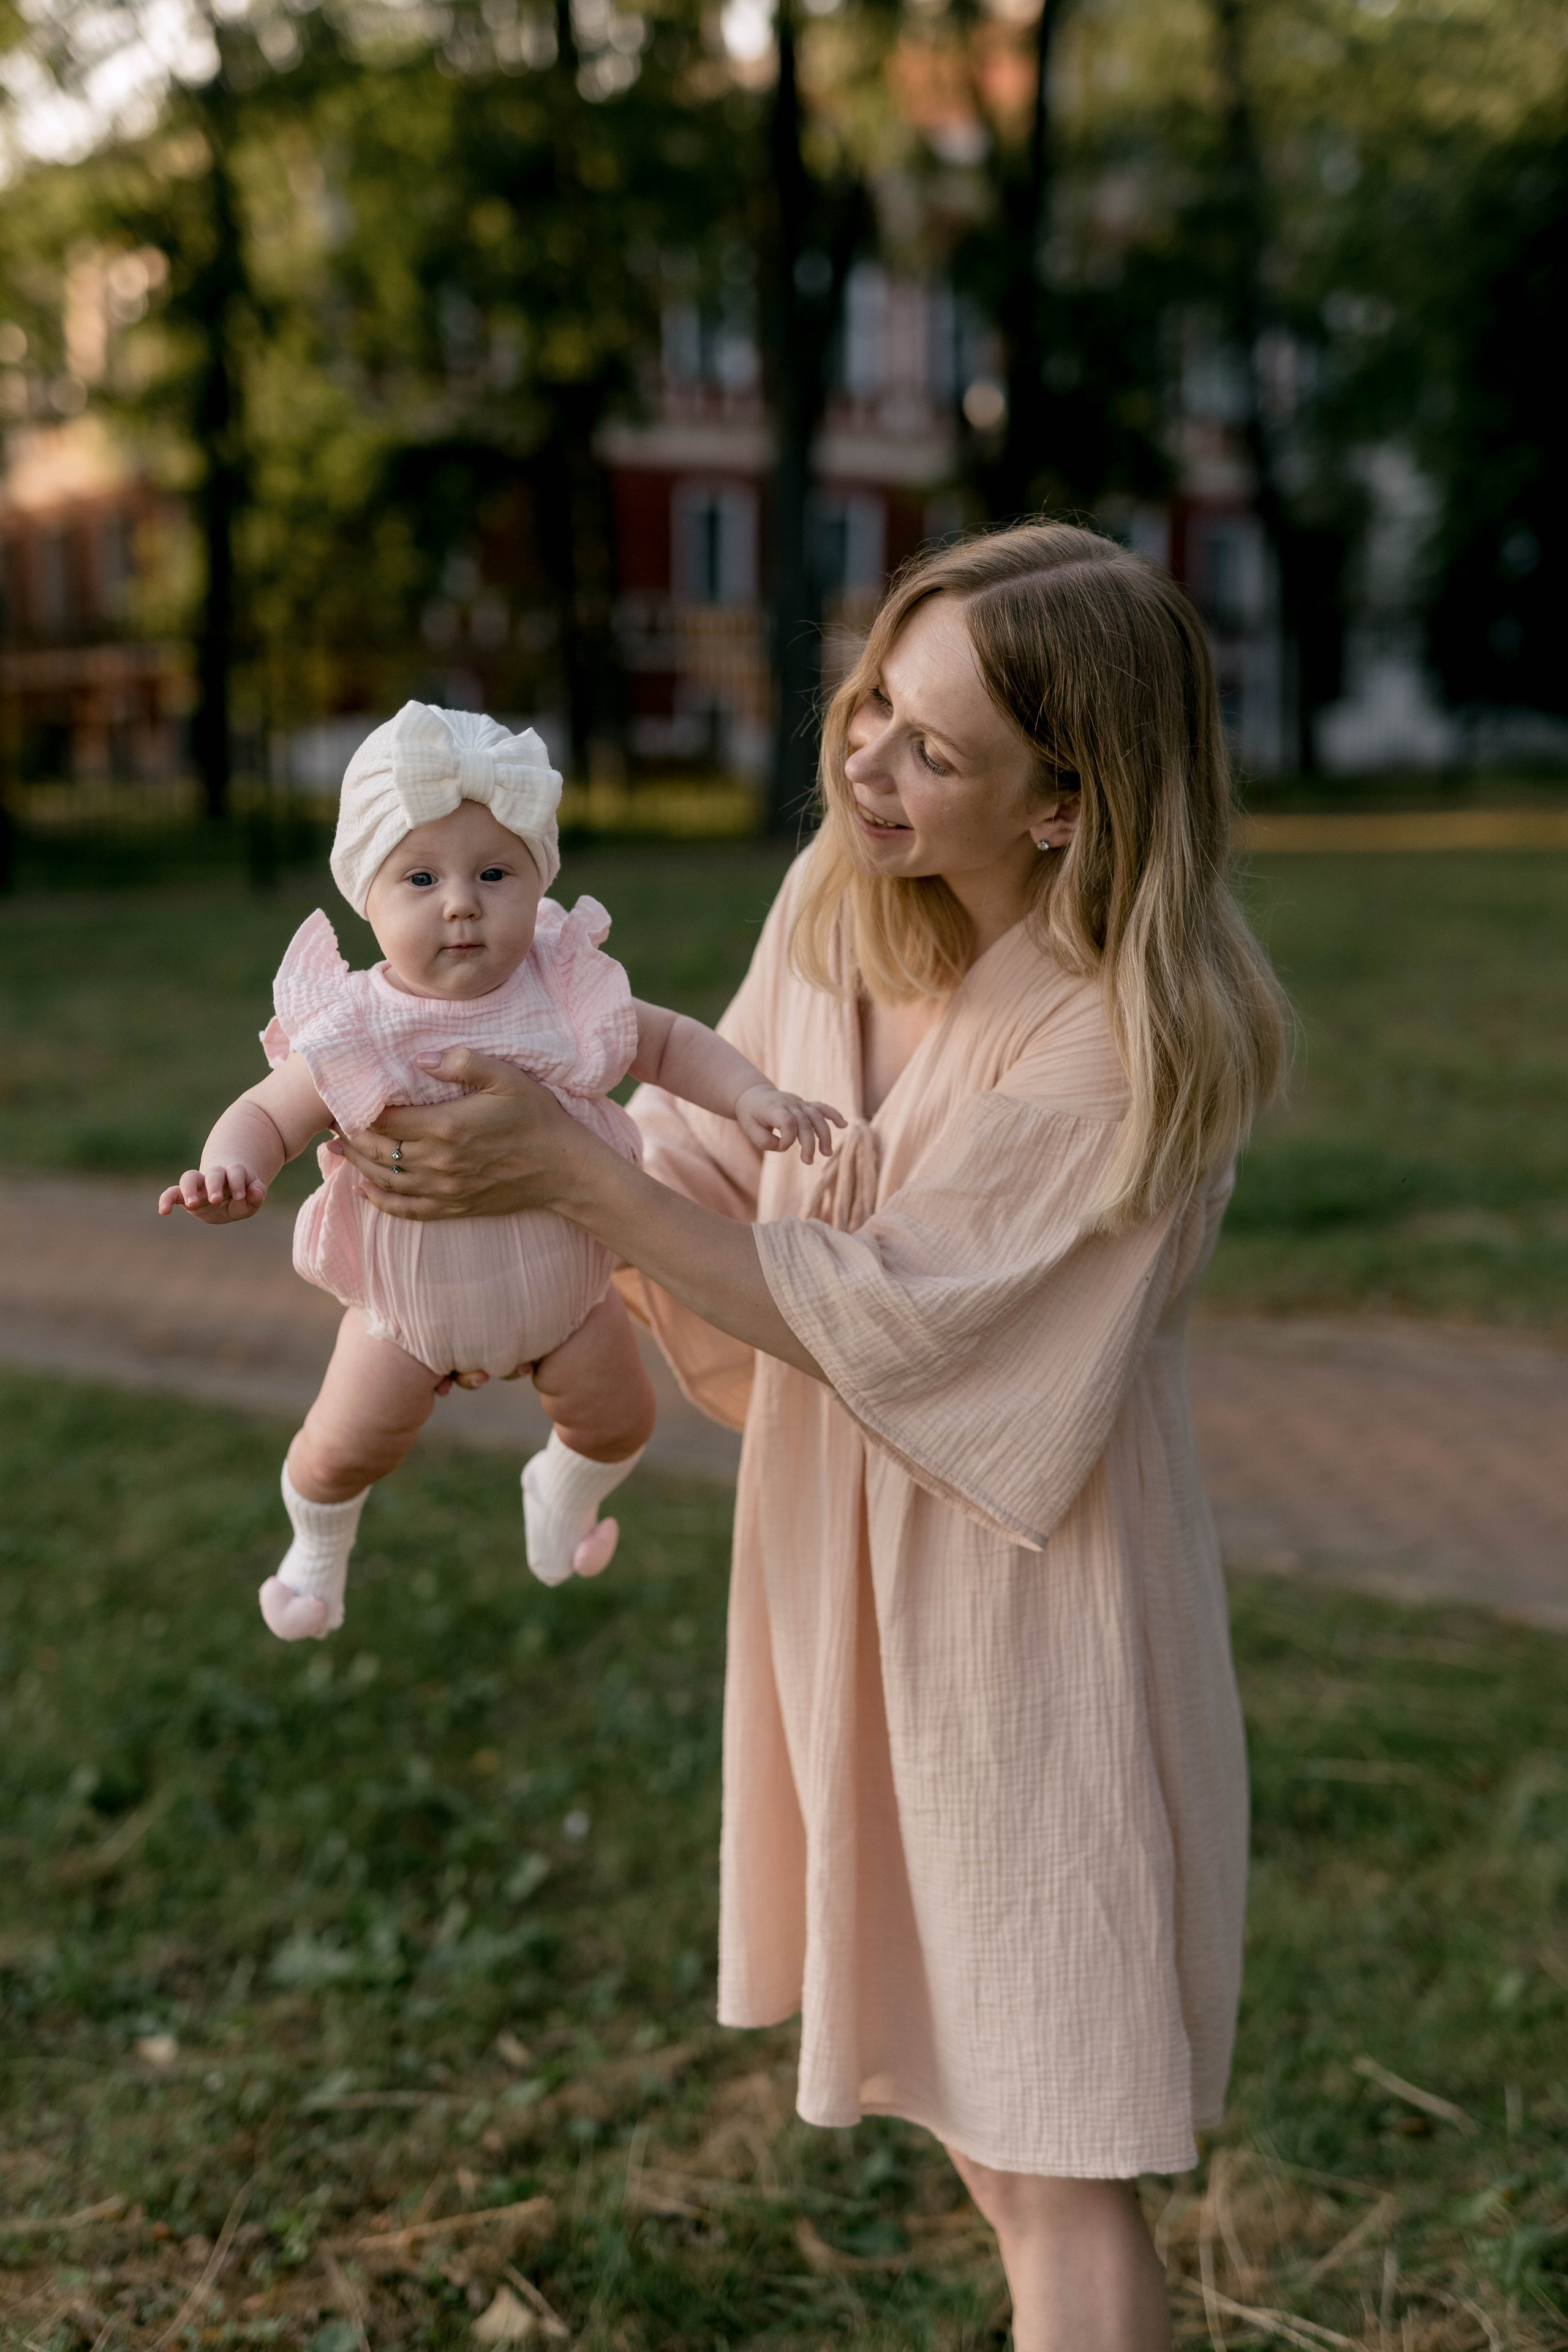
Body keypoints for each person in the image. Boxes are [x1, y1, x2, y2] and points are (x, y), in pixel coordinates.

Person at [330, 526, 1289, 2352]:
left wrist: (582, 1192)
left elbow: (896, 1318)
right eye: (869, 705)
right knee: (983, 2134)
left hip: (1030, 1615)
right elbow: (693, 1173)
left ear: (1067, 805)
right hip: (840, 1570)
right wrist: (501, 1246)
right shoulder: (841, 908)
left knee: (1053, 2150)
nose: (865, 762)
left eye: (934, 749)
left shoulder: (1119, 1043)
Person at [157, 700, 842, 1637]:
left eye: (493, 873)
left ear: (537, 880)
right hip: (407, 1319)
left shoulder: (562, 992)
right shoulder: (360, 1023)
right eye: (421, 877)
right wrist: (231, 1170)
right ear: (366, 895)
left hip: (572, 1305)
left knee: (621, 1420)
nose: (462, 903)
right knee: (345, 1447)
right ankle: (316, 1550)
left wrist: (752, 1095)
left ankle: (563, 1492)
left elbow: (672, 1043)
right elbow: (268, 1113)